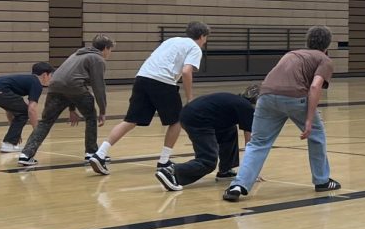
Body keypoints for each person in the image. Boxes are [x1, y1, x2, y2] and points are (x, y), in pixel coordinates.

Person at [224, 26, 340, 202]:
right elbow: (315, 87)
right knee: (317, 135)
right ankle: (322, 181)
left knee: (257, 143)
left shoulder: (292, 54)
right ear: (328, 45)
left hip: (266, 96)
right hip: (295, 97)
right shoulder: (324, 59)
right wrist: (309, 120)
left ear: (308, 42)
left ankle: (238, 186)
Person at [89, 21, 209, 175]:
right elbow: (186, 72)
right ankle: (164, 160)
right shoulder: (194, 48)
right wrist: (190, 97)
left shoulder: (171, 40)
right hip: (163, 81)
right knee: (177, 120)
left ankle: (100, 154)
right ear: (202, 36)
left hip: (142, 77)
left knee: (130, 120)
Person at [18, 35, 114, 167]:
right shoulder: (97, 59)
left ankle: (26, 154)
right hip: (75, 88)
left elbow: (68, 79)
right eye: (110, 50)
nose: (110, 53)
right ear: (105, 48)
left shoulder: (77, 54)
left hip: (55, 87)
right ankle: (91, 153)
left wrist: (72, 109)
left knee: (45, 122)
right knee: (91, 117)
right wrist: (102, 111)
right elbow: (98, 86)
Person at [156, 86, 257, 192]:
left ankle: (225, 170)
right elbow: (249, 142)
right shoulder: (247, 108)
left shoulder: (236, 101)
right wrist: (250, 171)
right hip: (198, 120)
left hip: (191, 113)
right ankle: (171, 172)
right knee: (208, 160)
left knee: (229, 131)